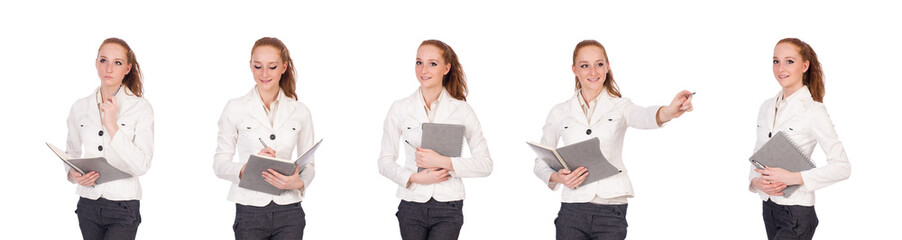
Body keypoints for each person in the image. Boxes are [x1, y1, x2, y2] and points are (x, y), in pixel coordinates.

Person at [533, 40, 693, 240]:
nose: (593, 72)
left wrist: (669, 111)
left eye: (599, 64)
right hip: (573, 210)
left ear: (607, 67)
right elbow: (541, 161)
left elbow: (643, 116)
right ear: (574, 70)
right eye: (585, 66)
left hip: (611, 210)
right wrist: (558, 177)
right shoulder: (559, 112)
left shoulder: (621, 106)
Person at [377, 39, 493, 240]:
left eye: (433, 63)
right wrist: (413, 178)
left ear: (446, 68)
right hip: (411, 204)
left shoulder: (462, 110)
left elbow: (485, 164)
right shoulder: (400, 108)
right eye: (419, 62)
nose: (423, 69)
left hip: (448, 206)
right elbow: (384, 161)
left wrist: (444, 162)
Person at [748, 38, 851, 240]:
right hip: (769, 207)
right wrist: (756, 182)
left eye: (789, 61)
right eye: (776, 61)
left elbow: (842, 167)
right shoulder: (766, 107)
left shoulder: (814, 111)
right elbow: (758, 153)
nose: (780, 68)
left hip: (796, 212)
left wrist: (793, 178)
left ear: (805, 66)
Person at [213, 37, 316, 239]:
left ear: (284, 67)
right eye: (258, 66)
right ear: (250, 66)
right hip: (250, 211)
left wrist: (299, 183)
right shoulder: (235, 108)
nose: (264, 74)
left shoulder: (300, 111)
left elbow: (309, 164)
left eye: (272, 67)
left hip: (289, 211)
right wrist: (247, 167)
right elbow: (219, 164)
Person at [64, 37, 153, 240]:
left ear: (128, 68)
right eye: (103, 60)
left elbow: (142, 166)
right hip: (88, 204)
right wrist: (72, 174)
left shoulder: (141, 108)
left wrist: (111, 125)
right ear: (96, 63)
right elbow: (71, 152)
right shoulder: (80, 107)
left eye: (117, 63)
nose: (109, 68)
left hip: (123, 205)